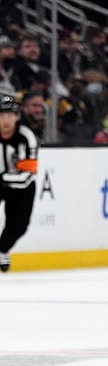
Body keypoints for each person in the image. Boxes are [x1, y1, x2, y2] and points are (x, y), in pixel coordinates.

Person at [0, 95, 38, 272]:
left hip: (21, 187)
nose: (6, 120)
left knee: (19, 226)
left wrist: (3, 178)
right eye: (2, 115)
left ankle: (2, 250)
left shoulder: (27, 137)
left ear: (16, 117)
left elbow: (27, 175)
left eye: (10, 115)